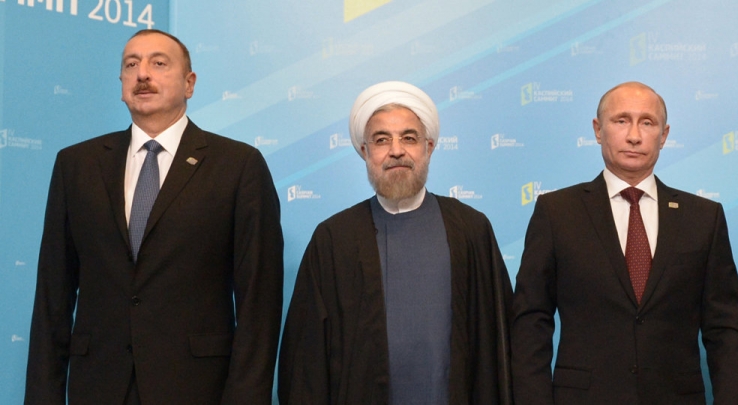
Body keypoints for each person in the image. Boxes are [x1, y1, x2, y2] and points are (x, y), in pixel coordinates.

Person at [24, 29, 283, 405]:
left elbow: (259, 303)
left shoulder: (238, 166)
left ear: (189, 83)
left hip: (196, 388)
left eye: (159, 63)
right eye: (131, 64)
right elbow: (52, 296)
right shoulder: (76, 165)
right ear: (121, 83)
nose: (143, 73)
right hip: (97, 387)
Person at [511, 81, 738, 404]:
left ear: (664, 135)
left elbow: (726, 328)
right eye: (621, 120)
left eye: (647, 123)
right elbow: (531, 321)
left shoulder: (703, 217)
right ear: (598, 130)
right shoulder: (557, 213)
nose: (634, 135)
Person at [277, 81, 513, 404]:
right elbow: (306, 361)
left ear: (429, 147)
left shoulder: (470, 230)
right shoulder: (334, 239)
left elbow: (498, 345)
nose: (396, 150)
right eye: (381, 140)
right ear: (365, 152)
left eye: (409, 138)